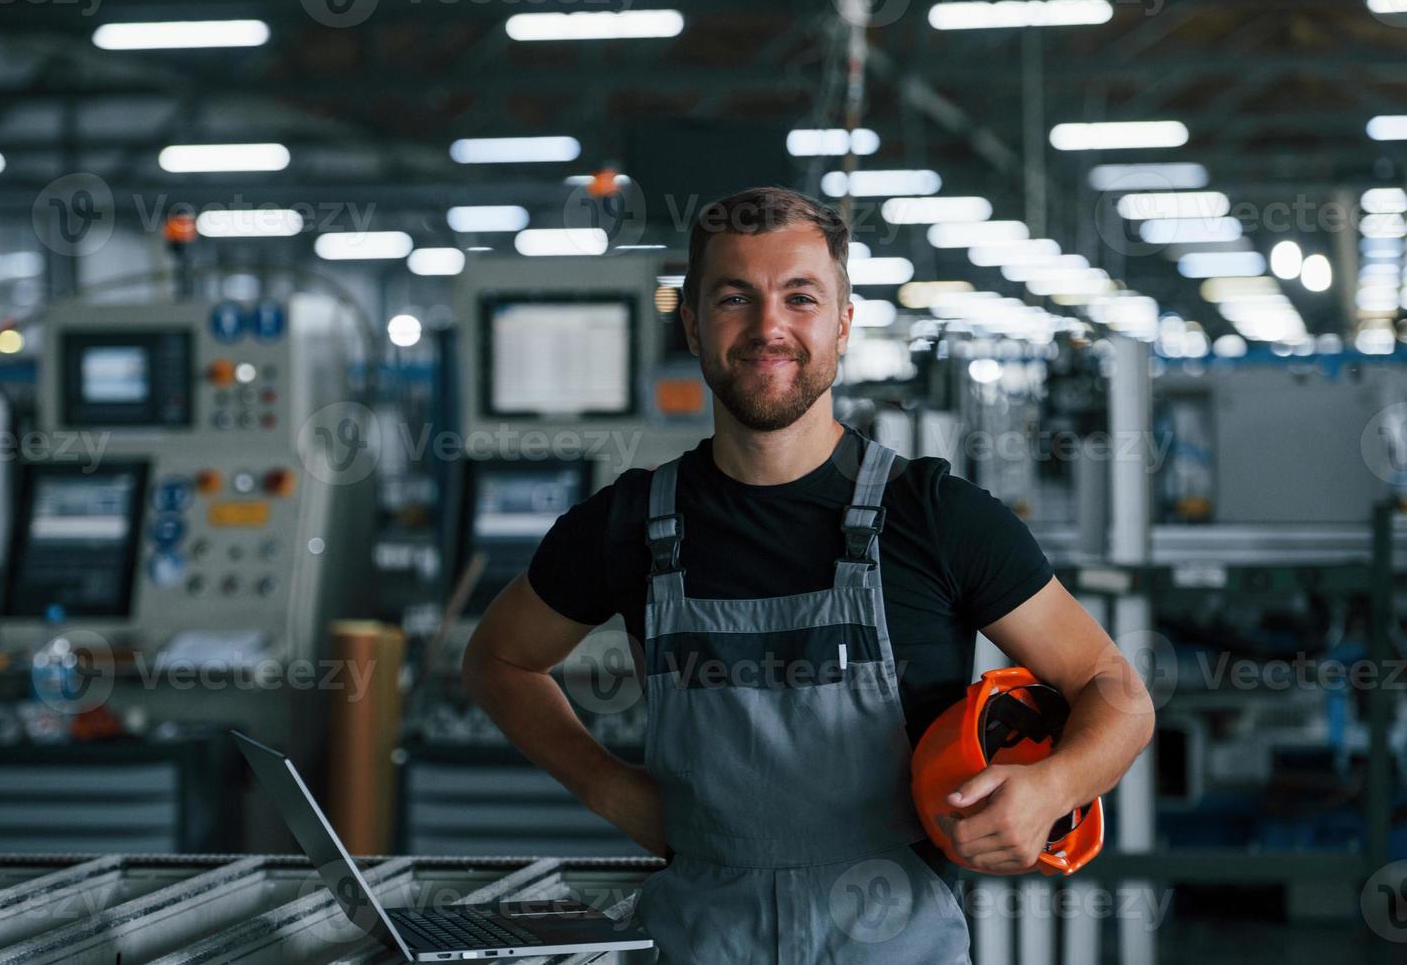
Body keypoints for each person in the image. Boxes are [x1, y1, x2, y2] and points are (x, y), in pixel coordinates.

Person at [462, 186, 1155, 963]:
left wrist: (1054, 787)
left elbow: (1114, 689)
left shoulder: (935, 517)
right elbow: (499, 660)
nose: (769, 328)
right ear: (691, 321)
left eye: (801, 297)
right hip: (701, 943)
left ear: (843, 322)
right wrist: (608, 787)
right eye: (734, 298)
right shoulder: (626, 526)